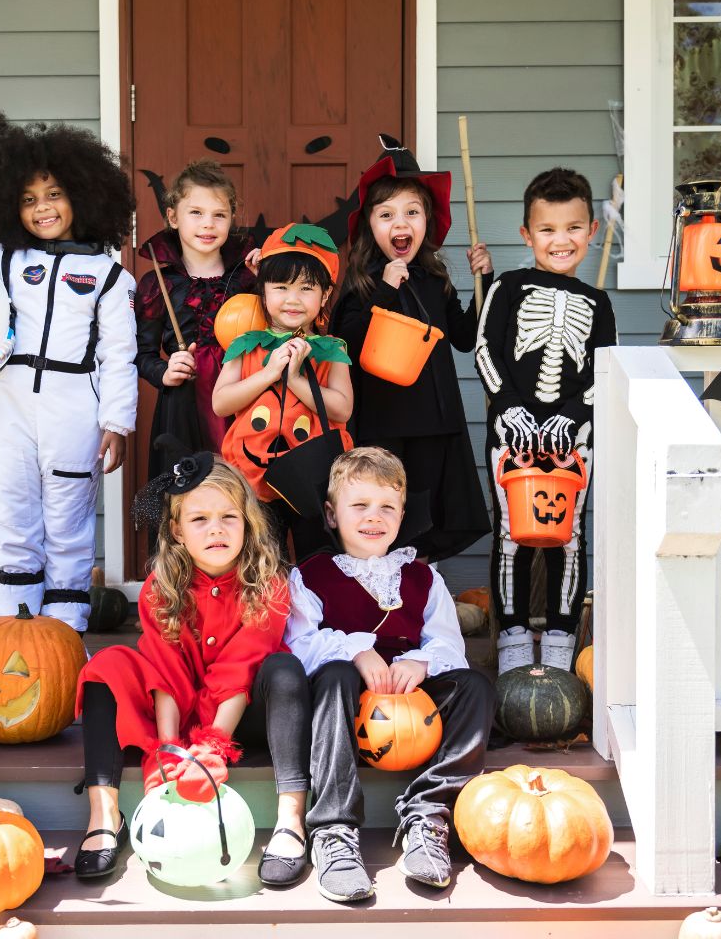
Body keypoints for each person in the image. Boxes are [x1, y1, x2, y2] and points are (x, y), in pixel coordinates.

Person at [74, 455, 312, 886]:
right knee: (108, 665)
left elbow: (240, 671)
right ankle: (104, 815)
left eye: (228, 517)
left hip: (241, 717)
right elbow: (164, 673)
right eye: (200, 518)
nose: (216, 528)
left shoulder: (270, 583)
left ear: (248, 523)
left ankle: (291, 820)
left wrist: (214, 745)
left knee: (284, 669)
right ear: (178, 531)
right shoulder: (160, 586)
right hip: (178, 709)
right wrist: (168, 748)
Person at [285, 447, 495, 901]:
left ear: (402, 515)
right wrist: (358, 651)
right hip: (344, 704)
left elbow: (449, 646)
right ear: (331, 513)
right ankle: (334, 829)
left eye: (387, 507)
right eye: (359, 506)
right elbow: (299, 644)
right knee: (334, 674)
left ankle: (428, 811)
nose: (373, 517)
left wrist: (420, 663)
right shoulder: (311, 576)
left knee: (474, 686)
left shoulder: (422, 577)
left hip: (407, 697)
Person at [0, 111, 138, 633]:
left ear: (84, 196)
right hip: (10, 402)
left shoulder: (109, 275)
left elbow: (118, 355)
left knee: (68, 523)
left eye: (55, 194)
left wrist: (118, 423)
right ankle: (14, 629)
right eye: (28, 199)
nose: (43, 208)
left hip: (73, 407)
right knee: (9, 513)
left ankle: (64, 635)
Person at [475, 167, 617, 673]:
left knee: (569, 536)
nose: (562, 240)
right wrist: (510, 405)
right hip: (511, 434)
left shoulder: (598, 303)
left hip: (573, 439)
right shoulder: (508, 288)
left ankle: (560, 640)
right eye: (548, 230)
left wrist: (573, 415)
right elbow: (485, 351)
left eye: (574, 228)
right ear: (527, 235)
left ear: (591, 232)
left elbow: (606, 371)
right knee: (511, 535)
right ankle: (513, 639)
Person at [330, 138, 492, 563]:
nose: (400, 223)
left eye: (411, 212)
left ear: (426, 222)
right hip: (386, 425)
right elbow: (347, 342)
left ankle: (420, 591)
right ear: (370, 225)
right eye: (386, 215)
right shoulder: (363, 283)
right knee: (388, 512)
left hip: (436, 422)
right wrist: (385, 288)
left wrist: (483, 284)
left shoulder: (434, 280)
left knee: (428, 519)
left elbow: (464, 336)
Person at [214, 223, 353, 557]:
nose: (292, 300)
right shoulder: (246, 344)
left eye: (306, 289)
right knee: (263, 560)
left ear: (325, 295)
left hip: (315, 478)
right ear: (263, 291)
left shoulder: (331, 349)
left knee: (318, 559)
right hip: (254, 477)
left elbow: (342, 409)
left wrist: (296, 380)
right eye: (280, 287)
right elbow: (221, 402)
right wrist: (269, 373)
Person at [134, 159, 258, 472]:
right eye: (196, 213)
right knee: (186, 489)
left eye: (220, 215)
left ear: (231, 220)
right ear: (173, 217)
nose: (208, 224)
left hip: (240, 393)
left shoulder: (247, 278)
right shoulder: (157, 284)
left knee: (240, 484)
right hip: (183, 403)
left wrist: (267, 279)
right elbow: (141, 353)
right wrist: (164, 371)